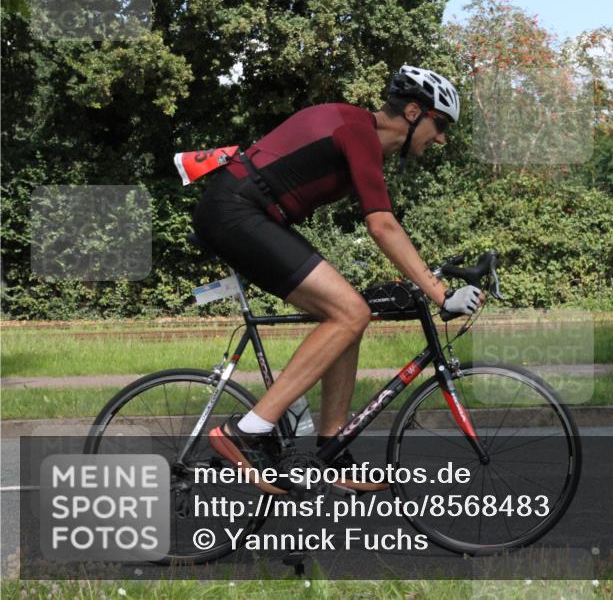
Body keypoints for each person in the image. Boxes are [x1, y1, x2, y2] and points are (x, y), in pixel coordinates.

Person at [192, 66, 485, 493]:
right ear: (411, 111)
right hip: (237, 210)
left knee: (351, 314)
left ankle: (331, 450)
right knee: (349, 311)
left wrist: (424, 277)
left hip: (249, 213)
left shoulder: (362, 139)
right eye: (440, 125)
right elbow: (382, 226)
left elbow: (384, 226)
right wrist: (439, 293)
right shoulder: (359, 131)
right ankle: (247, 430)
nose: (441, 138)